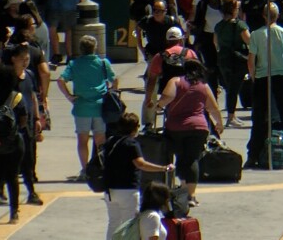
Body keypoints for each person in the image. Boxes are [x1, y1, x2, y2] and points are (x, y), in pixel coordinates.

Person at [245, 2, 283, 169]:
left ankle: (253, 155)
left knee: (259, 117)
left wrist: (255, 78)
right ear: (278, 16)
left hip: (263, 77)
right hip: (280, 77)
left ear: (263, 16)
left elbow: (251, 61)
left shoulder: (255, 35)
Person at [157, 59, 221, 206]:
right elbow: (212, 108)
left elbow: (167, 97)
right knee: (192, 159)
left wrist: (158, 106)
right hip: (199, 127)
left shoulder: (175, 81)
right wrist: (219, 124)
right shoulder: (203, 86)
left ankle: (184, 187)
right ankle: (191, 196)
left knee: (180, 156)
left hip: (176, 127)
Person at [102, 112, 175, 240]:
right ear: (134, 127)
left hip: (109, 189)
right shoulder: (131, 144)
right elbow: (140, 164)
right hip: (127, 189)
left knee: (113, 222)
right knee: (130, 224)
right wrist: (163, 168)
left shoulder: (111, 141)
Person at [56, 35, 116, 182]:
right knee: (100, 140)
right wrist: (112, 93)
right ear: (94, 48)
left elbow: (60, 80)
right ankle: (103, 168)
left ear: (80, 49)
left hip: (82, 107)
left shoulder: (74, 64)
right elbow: (114, 80)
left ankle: (85, 170)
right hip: (100, 106)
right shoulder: (103, 63)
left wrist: (69, 96)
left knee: (82, 140)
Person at [2, 42, 43, 206]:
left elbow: (32, 96)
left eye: (27, 59)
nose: (25, 62)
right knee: (8, 161)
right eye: (22, 59)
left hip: (28, 125)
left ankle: (31, 192)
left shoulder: (30, 75)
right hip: (10, 126)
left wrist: (38, 118)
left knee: (28, 160)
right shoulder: (7, 77)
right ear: (13, 59)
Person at [143, 27, 199, 129]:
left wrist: (149, 98)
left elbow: (151, 80)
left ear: (167, 41)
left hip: (167, 92)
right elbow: (198, 73)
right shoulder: (190, 53)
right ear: (181, 40)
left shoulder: (159, 57)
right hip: (188, 90)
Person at [190, 0, 231, 94]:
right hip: (207, 38)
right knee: (210, 69)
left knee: (224, 68)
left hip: (224, 39)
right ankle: (213, 95)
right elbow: (198, 22)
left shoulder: (225, 2)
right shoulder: (203, 3)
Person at [214, 0, 250, 128]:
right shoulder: (240, 25)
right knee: (234, 88)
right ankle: (230, 116)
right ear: (234, 10)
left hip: (223, 59)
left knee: (230, 88)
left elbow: (216, 43)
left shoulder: (219, 26)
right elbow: (249, 41)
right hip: (238, 59)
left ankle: (232, 114)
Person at [0, 63, 26, 224]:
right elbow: (23, 120)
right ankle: (14, 212)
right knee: (12, 177)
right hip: (14, 144)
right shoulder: (15, 97)